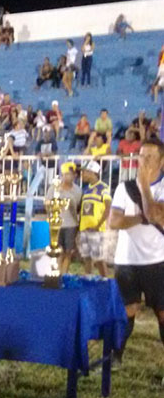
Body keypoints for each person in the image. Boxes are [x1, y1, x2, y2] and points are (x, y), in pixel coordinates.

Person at [109, 138, 164, 369]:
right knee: (126, 311)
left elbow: (156, 216)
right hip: (127, 260)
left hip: (157, 261)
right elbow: (114, 221)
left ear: (161, 162)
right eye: (141, 156)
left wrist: (144, 188)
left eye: (150, 157)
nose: (144, 161)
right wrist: (141, 218)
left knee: (162, 313)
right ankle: (115, 357)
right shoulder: (124, 188)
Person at [45, 163, 82, 274]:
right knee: (58, 251)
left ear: (74, 175)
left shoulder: (78, 190)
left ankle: (64, 274)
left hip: (71, 224)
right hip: (56, 225)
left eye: (68, 174)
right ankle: (57, 273)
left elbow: (77, 208)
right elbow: (47, 204)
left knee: (68, 252)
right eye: (64, 174)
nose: (66, 177)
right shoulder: (54, 188)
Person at [78, 161, 112, 276]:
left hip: (97, 230)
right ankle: (88, 278)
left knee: (99, 259)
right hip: (85, 229)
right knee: (86, 257)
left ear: (92, 172)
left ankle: (105, 280)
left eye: (84, 172)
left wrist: (98, 225)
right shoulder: (86, 189)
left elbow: (108, 208)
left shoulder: (103, 188)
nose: (82, 174)